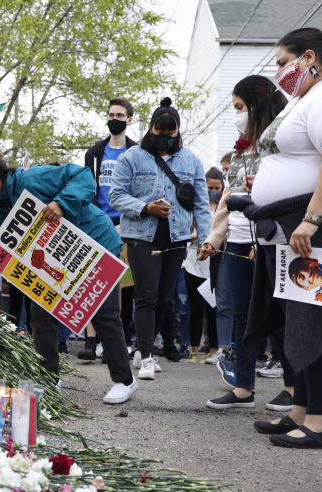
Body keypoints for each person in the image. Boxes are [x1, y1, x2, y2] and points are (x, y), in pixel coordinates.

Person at [232, 28, 322, 449]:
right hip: (299, 221)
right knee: (299, 318)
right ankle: (300, 410)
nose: (278, 72)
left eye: (282, 62)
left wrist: (311, 219)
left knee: (320, 318)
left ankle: (319, 423)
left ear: (308, 57)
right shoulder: (307, 100)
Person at [0, 144, 138, 404]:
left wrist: (62, 204)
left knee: (105, 315)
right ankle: (50, 380)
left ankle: (125, 381)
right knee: (40, 314)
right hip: (59, 266)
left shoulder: (32, 179)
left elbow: (82, 176)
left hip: (97, 244)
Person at [197, 75, 290, 412]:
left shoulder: (281, 142)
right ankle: (242, 387)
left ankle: (293, 387)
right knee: (241, 316)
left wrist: (263, 236)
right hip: (236, 240)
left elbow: (285, 196)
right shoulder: (239, 149)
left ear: (256, 105)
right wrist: (213, 238)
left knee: (276, 315)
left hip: (266, 240)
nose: (236, 114)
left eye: (239, 107)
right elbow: (227, 199)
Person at [110, 98, 212, 381]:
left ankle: (143, 349)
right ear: (150, 129)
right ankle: (146, 355)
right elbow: (115, 195)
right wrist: (145, 208)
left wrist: (206, 239)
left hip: (177, 238)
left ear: (178, 132)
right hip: (142, 236)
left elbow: (202, 204)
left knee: (164, 299)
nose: (164, 138)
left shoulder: (191, 161)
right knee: (146, 295)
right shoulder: (130, 157)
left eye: (170, 133)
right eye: (159, 131)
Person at [78, 98, 138, 362]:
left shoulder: (137, 152)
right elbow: (88, 187)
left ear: (129, 119)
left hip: (125, 223)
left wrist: (124, 221)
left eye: (120, 114)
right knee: (93, 280)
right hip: (98, 223)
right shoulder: (94, 153)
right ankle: (91, 340)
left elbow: (139, 189)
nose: (115, 118)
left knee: (122, 286)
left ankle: (116, 341)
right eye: (111, 114)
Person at [184, 168, 223, 362]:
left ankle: (214, 349)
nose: (213, 191)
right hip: (193, 260)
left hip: (214, 262)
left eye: (217, 187)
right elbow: (187, 230)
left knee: (213, 308)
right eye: (210, 187)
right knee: (195, 308)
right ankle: (194, 350)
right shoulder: (196, 205)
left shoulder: (223, 207)